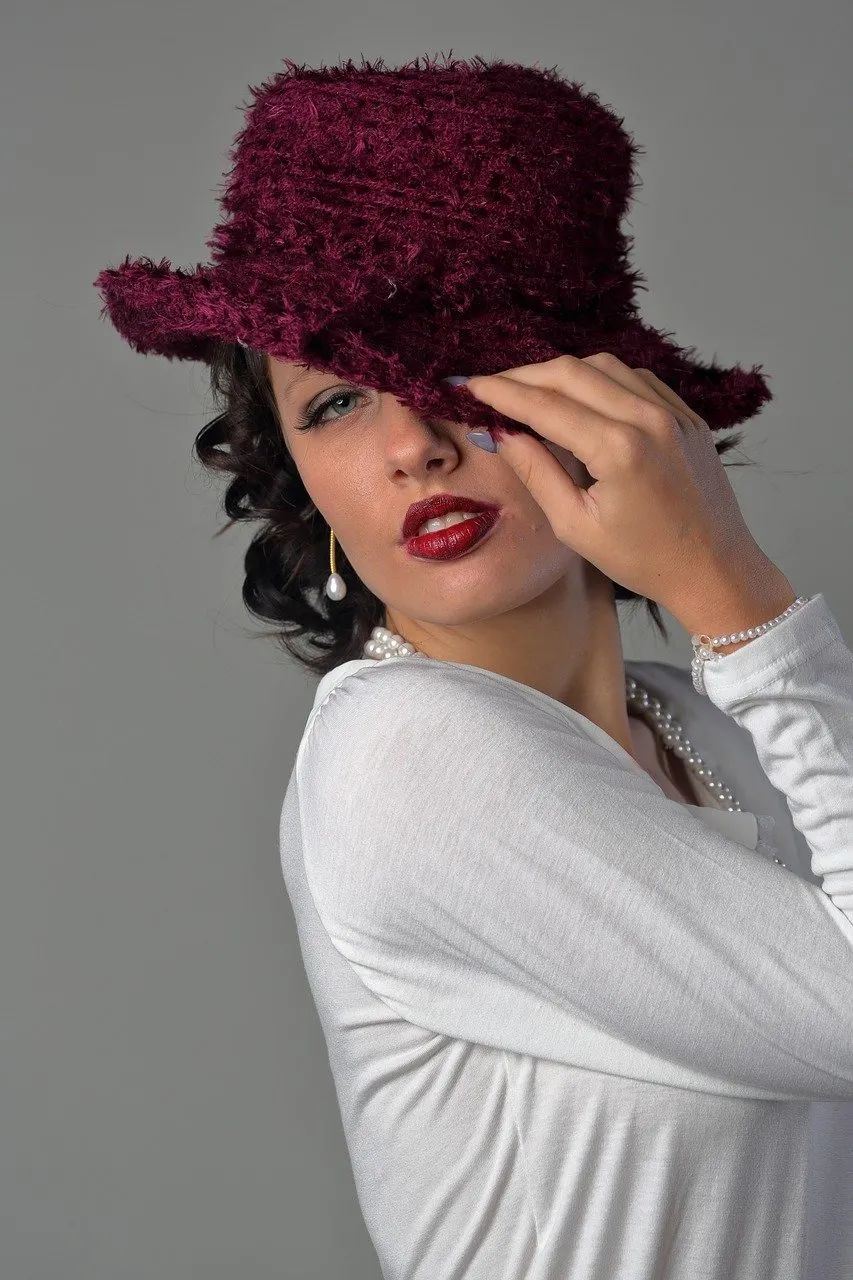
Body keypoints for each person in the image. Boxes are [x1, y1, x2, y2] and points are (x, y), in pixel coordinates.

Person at [93, 54, 853, 1280]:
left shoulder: (702, 731)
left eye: (456, 368)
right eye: (335, 403)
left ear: (605, 400)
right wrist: (727, 582)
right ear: (297, 474)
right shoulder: (409, 752)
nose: (412, 444)